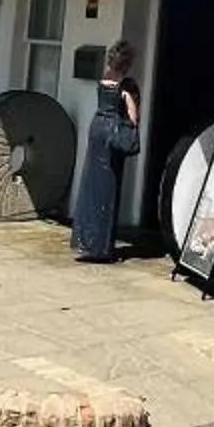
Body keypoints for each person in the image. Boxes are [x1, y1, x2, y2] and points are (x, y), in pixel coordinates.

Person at [69, 41, 144, 263]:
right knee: (109, 187)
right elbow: (133, 116)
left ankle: (85, 239)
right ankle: (101, 246)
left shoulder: (105, 78)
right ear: (128, 62)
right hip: (112, 132)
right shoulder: (126, 85)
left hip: (97, 129)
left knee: (91, 184)